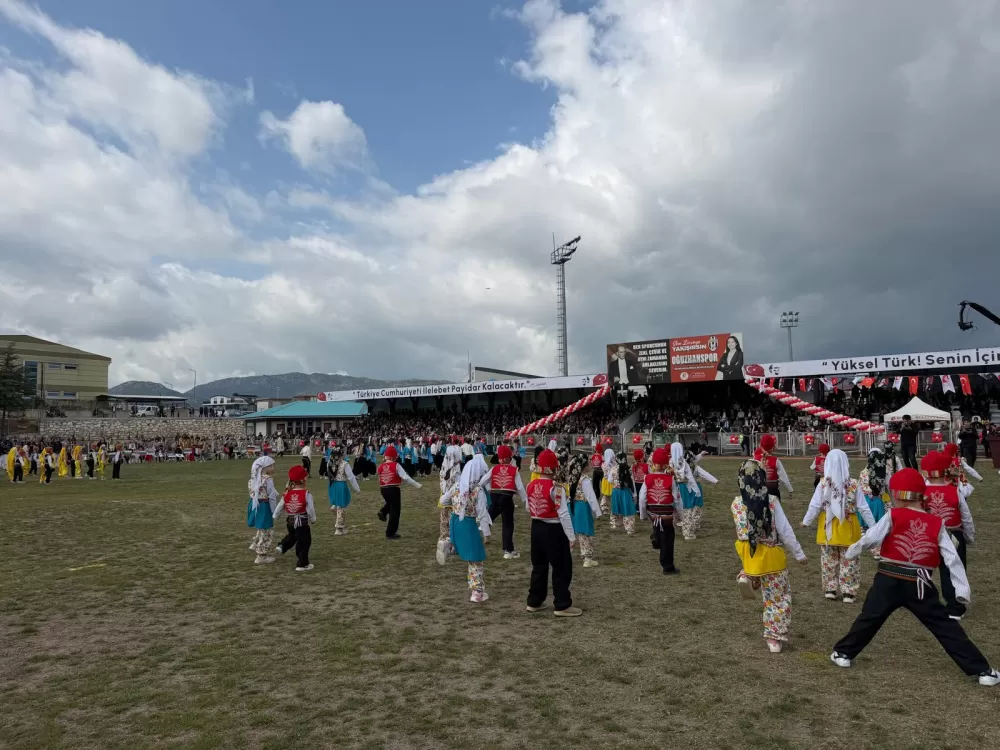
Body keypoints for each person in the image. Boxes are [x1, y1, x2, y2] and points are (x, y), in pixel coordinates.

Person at [829, 468, 1000, 687]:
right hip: (920, 584)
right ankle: (983, 670)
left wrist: (852, 551)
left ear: (899, 495)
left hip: (888, 580)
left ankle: (843, 653)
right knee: (944, 626)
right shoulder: (937, 523)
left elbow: (871, 538)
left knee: (869, 619)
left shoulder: (893, 515)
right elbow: (952, 558)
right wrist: (962, 591)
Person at [732, 458, 807, 653]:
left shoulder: (736, 504)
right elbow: (784, 529)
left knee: (756, 572)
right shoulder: (771, 501)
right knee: (778, 597)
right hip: (771, 556)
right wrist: (798, 553)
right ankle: (773, 638)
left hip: (749, 553)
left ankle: (747, 575)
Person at [801, 449, 874, 603]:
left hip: (828, 527)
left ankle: (830, 589)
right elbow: (863, 507)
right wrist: (873, 525)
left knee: (828, 559)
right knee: (850, 559)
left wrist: (806, 521)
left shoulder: (822, 484)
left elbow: (815, 505)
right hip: (848, 527)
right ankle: (848, 591)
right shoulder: (854, 484)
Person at [525, 449, 581, 617]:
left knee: (539, 566)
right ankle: (562, 604)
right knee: (562, 567)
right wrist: (571, 536)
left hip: (536, 528)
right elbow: (563, 514)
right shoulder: (557, 489)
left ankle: (534, 601)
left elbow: (529, 507)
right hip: (554, 529)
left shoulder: (530, 485)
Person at [922, 451, 976, 621]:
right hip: (953, 534)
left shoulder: (921, 492)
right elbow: (966, 516)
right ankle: (955, 606)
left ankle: (920, 600)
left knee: (924, 569)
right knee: (953, 570)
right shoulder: (955, 491)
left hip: (929, 535)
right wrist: (968, 536)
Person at [448, 454, 493, 603]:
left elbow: (443, 499)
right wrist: (486, 534)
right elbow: (482, 514)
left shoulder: (457, 486)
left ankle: (449, 544)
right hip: (469, 525)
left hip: (455, 522)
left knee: (467, 553)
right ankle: (477, 592)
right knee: (476, 559)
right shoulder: (477, 491)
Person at [477, 445, 528, 560]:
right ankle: (508, 551)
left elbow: (482, 481)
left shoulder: (494, 469)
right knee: (507, 524)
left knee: (488, 517)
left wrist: (489, 488)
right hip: (506, 497)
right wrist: (526, 502)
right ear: (508, 458)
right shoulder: (514, 470)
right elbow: (520, 488)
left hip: (494, 496)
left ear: (500, 459)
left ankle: (481, 531)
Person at [639, 448, 683, 575]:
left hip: (653, 513)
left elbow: (642, 498)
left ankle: (656, 535)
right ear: (666, 464)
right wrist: (680, 516)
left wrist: (643, 514)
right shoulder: (671, 479)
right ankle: (668, 566)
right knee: (668, 539)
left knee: (659, 529)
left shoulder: (648, 478)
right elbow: (677, 499)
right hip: (667, 515)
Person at [273, 465, 317, 571]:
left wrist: (275, 515)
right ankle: (302, 564)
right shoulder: (306, 494)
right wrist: (313, 519)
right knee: (304, 542)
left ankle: (283, 545)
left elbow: (280, 506)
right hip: (301, 522)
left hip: (290, 521)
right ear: (304, 479)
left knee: (293, 535)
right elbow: (310, 509)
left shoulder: (287, 493)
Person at [670, 442, 718, 540]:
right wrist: (697, 490)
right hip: (686, 488)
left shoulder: (671, 463)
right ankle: (688, 533)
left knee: (677, 509)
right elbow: (691, 478)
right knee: (688, 509)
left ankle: (674, 527)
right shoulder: (686, 464)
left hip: (675, 488)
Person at [376, 445, 422, 540]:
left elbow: (379, 478)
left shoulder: (380, 466)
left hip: (383, 489)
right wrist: (416, 484)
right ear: (394, 457)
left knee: (390, 503)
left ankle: (383, 512)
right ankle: (390, 533)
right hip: (394, 488)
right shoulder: (396, 465)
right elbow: (405, 477)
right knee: (395, 511)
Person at [566, 453, 602, 568]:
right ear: (583, 466)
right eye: (588, 463)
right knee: (585, 532)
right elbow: (591, 496)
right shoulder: (585, 480)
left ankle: (567, 555)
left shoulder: (571, 478)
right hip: (582, 506)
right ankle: (587, 558)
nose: (590, 464)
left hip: (571, 506)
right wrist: (597, 511)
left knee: (570, 531)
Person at [246, 456, 279, 565]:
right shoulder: (267, 479)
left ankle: (255, 543)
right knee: (267, 530)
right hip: (264, 506)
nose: (273, 467)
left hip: (256, 505)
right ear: (265, 467)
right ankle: (261, 555)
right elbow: (272, 496)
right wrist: (274, 510)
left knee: (261, 527)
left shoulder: (252, 479)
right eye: (272, 465)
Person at [856, 449, 890, 548]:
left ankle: (863, 532)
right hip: (878, 500)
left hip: (865, 500)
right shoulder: (884, 471)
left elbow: (860, 486)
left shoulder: (863, 472)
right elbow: (887, 485)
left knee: (864, 523)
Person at [327, 445, 361, 536]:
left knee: (338, 504)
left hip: (332, 485)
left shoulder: (329, 463)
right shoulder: (344, 464)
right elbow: (351, 478)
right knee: (341, 507)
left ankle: (334, 506)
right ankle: (339, 528)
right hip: (341, 485)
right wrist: (357, 489)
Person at [753, 435, 793, 500]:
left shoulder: (754, 459)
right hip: (773, 491)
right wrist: (790, 489)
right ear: (772, 448)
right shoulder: (776, 460)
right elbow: (784, 476)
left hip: (758, 490)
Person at [608, 450, 637, 533]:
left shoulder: (613, 469)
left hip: (616, 491)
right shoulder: (628, 469)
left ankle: (615, 524)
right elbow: (632, 482)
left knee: (616, 507)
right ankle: (629, 528)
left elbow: (610, 480)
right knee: (627, 509)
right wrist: (634, 494)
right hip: (626, 491)